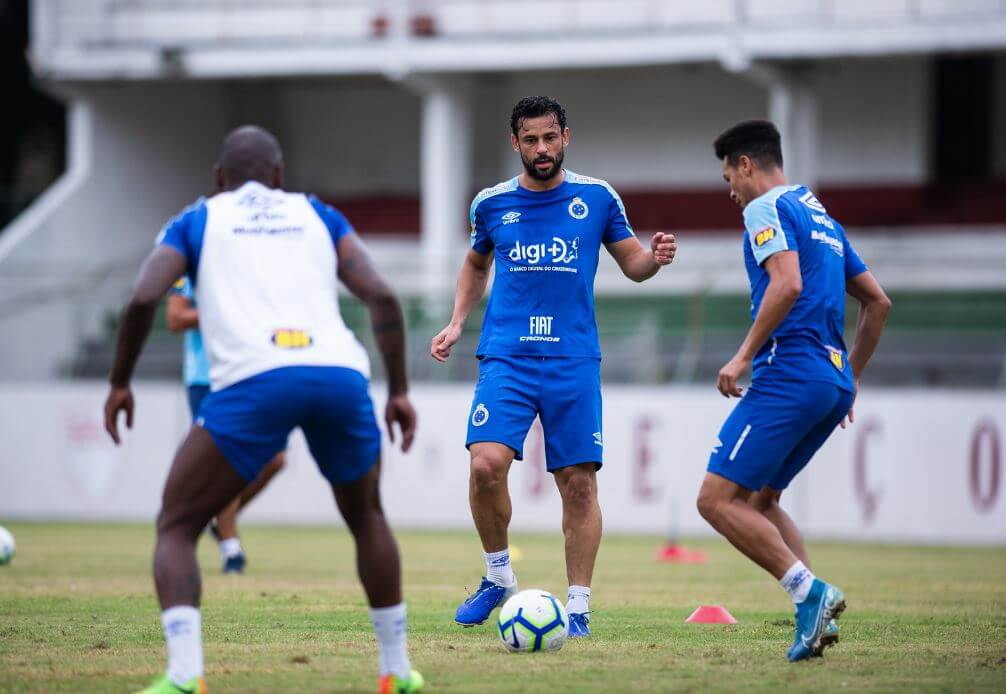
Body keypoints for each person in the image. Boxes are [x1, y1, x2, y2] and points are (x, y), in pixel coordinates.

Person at [103, 125, 423, 693]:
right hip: (337, 373)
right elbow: (381, 295)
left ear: (218, 178)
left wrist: (120, 383)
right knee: (367, 517)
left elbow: (144, 297)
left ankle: (184, 675)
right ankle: (396, 672)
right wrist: (398, 392)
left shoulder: (198, 219)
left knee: (176, 524)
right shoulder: (318, 214)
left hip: (255, 379)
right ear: (279, 175)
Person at [430, 96, 676, 638]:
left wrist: (653, 259)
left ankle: (579, 609)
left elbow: (632, 263)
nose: (541, 149)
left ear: (566, 137)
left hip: (573, 359)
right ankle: (498, 576)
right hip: (507, 356)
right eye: (530, 140)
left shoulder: (597, 197)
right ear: (515, 143)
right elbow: (475, 264)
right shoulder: (490, 204)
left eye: (549, 137)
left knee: (578, 483)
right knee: (485, 465)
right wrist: (456, 321)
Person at [697, 120, 891, 661]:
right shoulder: (820, 216)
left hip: (790, 371)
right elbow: (878, 303)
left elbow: (787, 284)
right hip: (830, 380)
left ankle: (811, 593)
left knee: (714, 500)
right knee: (760, 500)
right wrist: (851, 376)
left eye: (728, 178)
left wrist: (742, 355)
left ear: (746, 165)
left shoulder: (765, 208)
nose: (730, 192)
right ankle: (816, 614)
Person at [166, 277, 286, 574]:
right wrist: (227, 314)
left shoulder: (253, 268)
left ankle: (213, 519)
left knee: (275, 458)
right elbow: (176, 318)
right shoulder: (192, 268)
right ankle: (231, 546)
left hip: (253, 373)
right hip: (209, 379)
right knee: (226, 460)